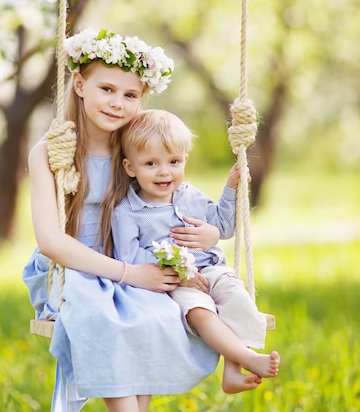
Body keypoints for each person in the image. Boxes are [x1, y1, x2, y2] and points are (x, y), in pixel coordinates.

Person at [22, 28, 221, 412]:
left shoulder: (133, 150)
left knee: (156, 316)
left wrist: (210, 231)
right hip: (71, 270)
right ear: (79, 85)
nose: (117, 103)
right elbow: (50, 241)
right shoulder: (50, 152)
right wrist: (130, 274)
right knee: (104, 319)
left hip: (131, 257)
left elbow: (173, 197)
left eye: (130, 95)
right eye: (107, 89)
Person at [110, 109, 281, 395]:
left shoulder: (191, 196)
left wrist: (231, 188)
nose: (164, 171)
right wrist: (177, 270)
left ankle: (232, 371)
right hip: (174, 283)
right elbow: (129, 256)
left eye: (173, 161)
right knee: (200, 312)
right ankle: (248, 357)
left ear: (185, 160)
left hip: (213, 269)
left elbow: (224, 227)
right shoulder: (128, 211)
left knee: (237, 297)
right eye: (151, 163)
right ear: (130, 167)